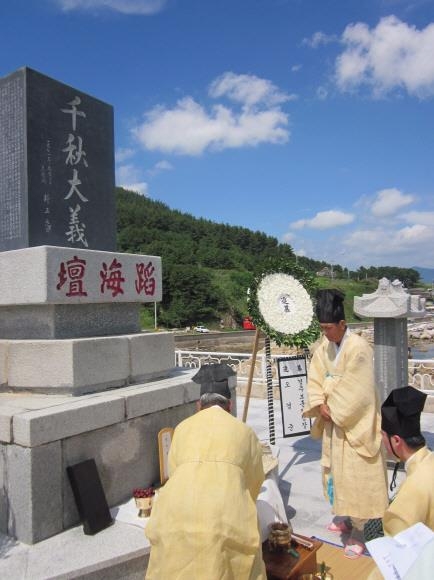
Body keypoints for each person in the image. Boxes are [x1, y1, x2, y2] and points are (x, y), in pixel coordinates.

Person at [145, 363, 266, 579]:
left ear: (198, 405)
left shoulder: (182, 428)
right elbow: (254, 483)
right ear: (229, 406)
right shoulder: (245, 432)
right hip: (225, 520)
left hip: (175, 517)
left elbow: (173, 474)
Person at [303, 289, 388, 558]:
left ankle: (364, 531)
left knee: (359, 478)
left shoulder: (359, 348)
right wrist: (319, 404)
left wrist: (333, 408)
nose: (326, 333)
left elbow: (358, 390)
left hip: (355, 424)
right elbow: (315, 377)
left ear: (343, 324)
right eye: (322, 328)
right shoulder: (324, 347)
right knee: (337, 475)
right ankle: (346, 517)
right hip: (333, 422)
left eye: (329, 328)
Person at [381, 385, 434, 535]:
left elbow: (398, 548)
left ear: (396, 441)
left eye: (383, 435)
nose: (381, 441)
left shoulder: (412, 490)